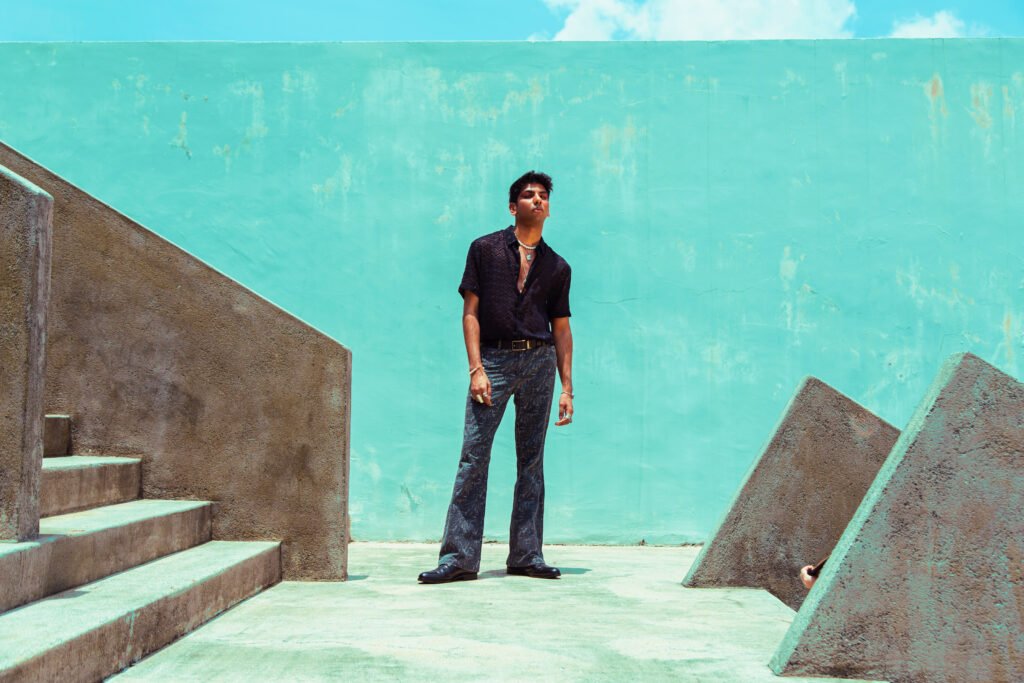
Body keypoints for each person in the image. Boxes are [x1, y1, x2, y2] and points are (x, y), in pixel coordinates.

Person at [418, 170, 574, 584]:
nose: (537, 200)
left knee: (532, 460)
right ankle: (459, 558)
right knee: (474, 456)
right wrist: (476, 369)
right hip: (494, 361)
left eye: (543, 196)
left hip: (539, 363)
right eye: (528, 195)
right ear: (513, 206)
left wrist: (567, 388)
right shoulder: (485, 250)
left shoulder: (558, 266)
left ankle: (526, 554)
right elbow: (470, 313)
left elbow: (561, 328)